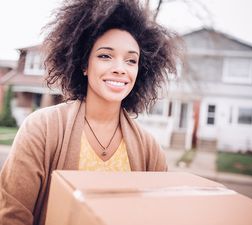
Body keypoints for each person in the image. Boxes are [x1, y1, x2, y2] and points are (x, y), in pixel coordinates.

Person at [0, 0, 180, 224]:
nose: (120, 68)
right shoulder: (41, 129)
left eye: (131, 60)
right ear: (84, 64)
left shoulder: (150, 150)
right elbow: (13, 216)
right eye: (105, 56)